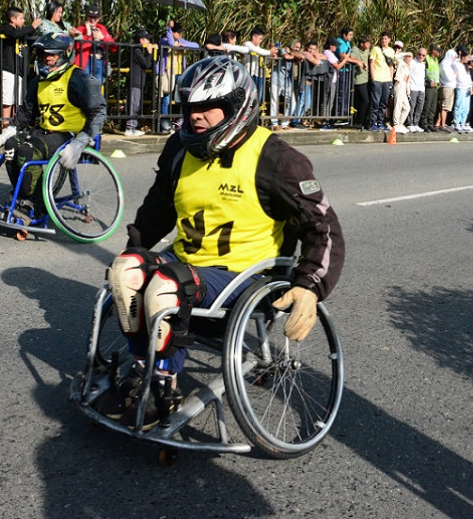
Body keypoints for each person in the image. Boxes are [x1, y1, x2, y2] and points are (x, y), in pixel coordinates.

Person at [101, 56, 344, 429]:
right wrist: (134, 250)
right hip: (189, 266)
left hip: (245, 280)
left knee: (168, 284)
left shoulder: (279, 160)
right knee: (126, 271)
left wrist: (310, 286)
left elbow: (322, 226)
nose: (195, 116)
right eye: (190, 107)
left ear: (237, 107)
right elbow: (157, 210)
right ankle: (141, 369)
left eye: (207, 107)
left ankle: (162, 387)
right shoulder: (179, 149)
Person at [0, 33, 106, 219]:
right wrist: (5, 134)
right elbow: (26, 113)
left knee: (27, 151)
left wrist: (81, 142)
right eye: (44, 54)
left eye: (52, 54)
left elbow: (99, 111)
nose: (47, 58)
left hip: (70, 135)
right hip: (46, 133)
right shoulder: (38, 81)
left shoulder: (78, 79)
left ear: (65, 54)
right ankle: (23, 197)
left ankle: (33, 204)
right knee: (11, 146)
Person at [0, 6, 40, 127]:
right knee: (8, 100)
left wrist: (32, 30)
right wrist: (32, 27)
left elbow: (32, 40)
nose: (23, 21)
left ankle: (16, 125)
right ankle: (5, 125)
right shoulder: (6, 29)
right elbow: (14, 34)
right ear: (12, 19)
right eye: (20, 18)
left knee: (19, 100)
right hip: (9, 69)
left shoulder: (24, 33)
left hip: (20, 71)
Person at [157, 20, 200, 133]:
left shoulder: (181, 41)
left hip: (179, 73)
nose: (180, 35)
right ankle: (164, 122)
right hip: (167, 73)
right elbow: (171, 44)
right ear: (173, 32)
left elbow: (196, 45)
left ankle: (179, 121)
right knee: (166, 98)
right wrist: (168, 29)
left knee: (179, 98)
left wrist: (182, 44)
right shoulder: (164, 40)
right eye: (178, 32)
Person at [74, 5, 116, 85]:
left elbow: (114, 47)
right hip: (85, 62)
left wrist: (102, 38)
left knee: (97, 86)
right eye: (90, 17)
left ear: (99, 19)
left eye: (95, 18)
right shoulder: (81, 29)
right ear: (87, 17)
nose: (92, 20)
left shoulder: (101, 29)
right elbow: (77, 46)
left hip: (99, 62)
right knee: (86, 86)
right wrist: (88, 34)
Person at [126, 30, 155, 136]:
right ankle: (130, 127)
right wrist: (150, 53)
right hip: (134, 81)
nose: (148, 41)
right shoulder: (137, 50)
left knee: (136, 104)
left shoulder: (139, 50)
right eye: (146, 39)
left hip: (138, 81)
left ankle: (133, 126)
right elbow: (147, 64)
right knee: (133, 104)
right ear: (141, 40)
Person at [368, 32, 394, 131]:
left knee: (383, 103)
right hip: (378, 79)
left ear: (389, 40)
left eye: (386, 39)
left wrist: (390, 79)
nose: (384, 41)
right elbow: (372, 63)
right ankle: (372, 122)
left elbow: (391, 65)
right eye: (382, 39)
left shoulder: (391, 51)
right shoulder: (376, 49)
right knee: (375, 102)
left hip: (386, 80)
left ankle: (380, 122)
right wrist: (373, 77)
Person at [348, 36, 371, 129]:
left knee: (365, 101)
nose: (369, 45)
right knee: (365, 101)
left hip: (367, 79)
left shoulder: (367, 51)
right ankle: (360, 122)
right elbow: (351, 58)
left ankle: (364, 121)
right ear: (362, 44)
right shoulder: (355, 50)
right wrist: (359, 62)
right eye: (367, 43)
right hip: (359, 80)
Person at [420, 46, 441, 132]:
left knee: (433, 107)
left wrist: (438, 81)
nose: (439, 53)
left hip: (435, 87)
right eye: (438, 51)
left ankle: (430, 123)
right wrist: (429, 81)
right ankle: (424, 123)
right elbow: (424, 72)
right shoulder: (427, 59)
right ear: (433, 51)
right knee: (427, 106)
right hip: (429, 86)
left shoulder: (436, 60)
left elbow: (436, 73)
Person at [390, 50, 411, 134]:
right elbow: (396, 57)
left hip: (404, 87)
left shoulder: (408, 67)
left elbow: (407, 81)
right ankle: (395, 124)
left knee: (407, 107)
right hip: (399, 85)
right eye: (407, 56)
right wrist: (405, 53)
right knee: (398, 106)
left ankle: (400, 124)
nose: (408, 57)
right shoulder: (401, 63)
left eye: (410, 56)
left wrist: (408, 91)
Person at [407, 47, 426, 132]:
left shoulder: (423, 65)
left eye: (423, 55)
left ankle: (416, 123)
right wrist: (408, 89)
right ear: (416, 54)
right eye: (419, 54)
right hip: (413, 88)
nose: (421, 56)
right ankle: (410, 123)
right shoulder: (412, 63)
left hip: (421, 89)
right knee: (411, 107)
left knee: (419, 108)